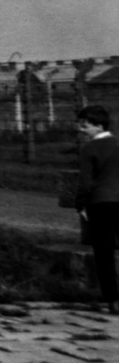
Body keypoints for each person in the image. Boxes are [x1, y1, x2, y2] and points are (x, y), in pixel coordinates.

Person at [75, 105, 119, 314]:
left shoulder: (89, 149)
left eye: (85, 126)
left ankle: (113, 300)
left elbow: (85, 183)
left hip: (101, 203)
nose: (81, 130)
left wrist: (80, 204)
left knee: (104, 253)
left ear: (98, 126)